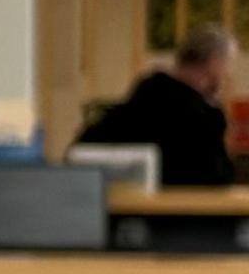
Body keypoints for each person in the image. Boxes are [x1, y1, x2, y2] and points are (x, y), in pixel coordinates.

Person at [76, 28, 239, 189]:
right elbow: (219, 180)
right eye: (228, 65)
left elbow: (81, 154)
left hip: (117, 209)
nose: (228, 73)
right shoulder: (204, 118)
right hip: (188, 210)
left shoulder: (139, 102)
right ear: (214, 63)